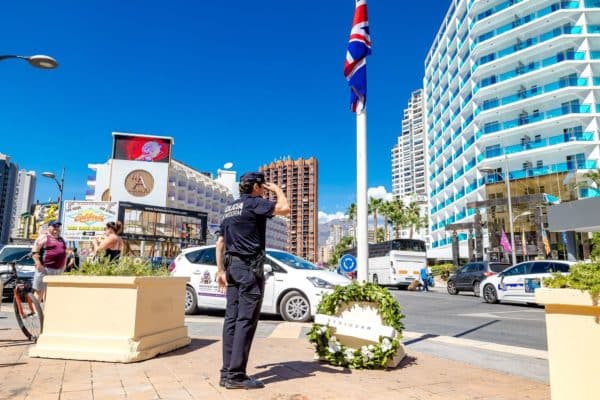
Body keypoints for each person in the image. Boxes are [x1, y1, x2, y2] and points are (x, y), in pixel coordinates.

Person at [216, 172, 290, 390]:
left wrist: (221, 270)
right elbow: (284, 208)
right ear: (256, 187)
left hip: (232, 268)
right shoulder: (255, 203)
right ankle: (236, 376)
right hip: (249, 269)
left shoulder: (230, 208)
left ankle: (226, 372)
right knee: (245, 321)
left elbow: (220, 242)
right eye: (262, 186)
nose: (264, 190)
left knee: (231, 319)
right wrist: (277, 190)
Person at [31, 220, 67, 302]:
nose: (56, 228)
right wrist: (38, 263)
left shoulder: (61, 239)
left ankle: (45, 312)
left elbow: (65, 254)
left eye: (58, 226)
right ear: (49, 227)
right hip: (45, 269)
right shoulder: (43, 237)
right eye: (54, 226)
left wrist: (64, 266)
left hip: (58, 270)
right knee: (39, 291)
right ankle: (35, 313)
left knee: (51, 293)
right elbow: (34, 251)